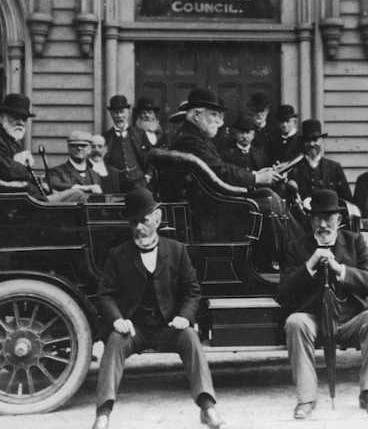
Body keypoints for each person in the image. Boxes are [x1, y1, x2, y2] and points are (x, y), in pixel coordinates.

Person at [92, 188, 227, 429]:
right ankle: (103, 414)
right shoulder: (118, 255)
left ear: (157, 218)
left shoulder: (176, 250)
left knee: (190, 338)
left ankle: (208, 408)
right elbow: (105, 295)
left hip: (168, 328)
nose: (138, 228)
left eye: (143, 221)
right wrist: (117, 319)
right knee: (113, 342)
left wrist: (185, 317)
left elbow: (192, 291)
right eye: (133, 223)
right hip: (134, 330)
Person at [278, 189, 368, 420]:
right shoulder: (296, 246)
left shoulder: (354, 241)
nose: (323, 225)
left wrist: (341, 270)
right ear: (310, 220)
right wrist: (309, 264)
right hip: (314, 321)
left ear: (339, 221)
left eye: (328, 218)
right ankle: (306, 400)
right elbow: (284, 293)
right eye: (317, 218)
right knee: (295, 322)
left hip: (351, 321)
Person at [0, 82, 85, 203]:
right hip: (12, 203)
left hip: (15, 199)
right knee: (78, 196)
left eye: (24, 118)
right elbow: (3, 170)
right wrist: (18, 163)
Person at [169, 88, 282, 189]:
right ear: (197, 115)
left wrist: (254, 174)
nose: (218, 121)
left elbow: (220, 167)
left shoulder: (195, 136)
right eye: (214, 114)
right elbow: (219, 171)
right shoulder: (190, 140)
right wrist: (257, 178)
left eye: (219, 115)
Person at [288, 119, 352, 202]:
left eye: (315, 140)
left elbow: (346, 200)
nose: (311, 144)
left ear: (321, 140)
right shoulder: (294, 170)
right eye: (308, 140)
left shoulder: (334, 168)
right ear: (303, 142)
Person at [101, 95, 152, 192]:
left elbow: (150, 158)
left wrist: (147, 177)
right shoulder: (106, 137)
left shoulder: (140, 134)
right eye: (116, 112)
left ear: (128, 112)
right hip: (115, 185)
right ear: (111, 114)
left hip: (139, 183)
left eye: (122, 112)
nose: (119, 116)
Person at [0, 93, 36, 166]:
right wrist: (17, 162)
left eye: (24, 118)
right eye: (15, 116)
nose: (21, 122)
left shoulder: (11, 140)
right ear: (2, 117)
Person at [245, 92, 273, 159]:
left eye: (262, 110)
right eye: (256, 111)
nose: (259, 114)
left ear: (267, 111)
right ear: (251, 112)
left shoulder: (274, 131)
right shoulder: (247, 131)